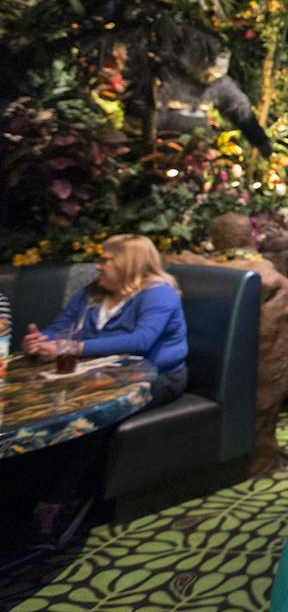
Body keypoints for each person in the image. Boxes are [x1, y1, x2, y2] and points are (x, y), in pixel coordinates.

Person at [20, 234, 190, 547]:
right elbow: (61, 328)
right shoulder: (93, 293)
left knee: (92, 418)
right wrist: (39, 340)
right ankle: (24, 495)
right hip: (96, 377)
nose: (98, 267)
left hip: (157, 378)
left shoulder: (158, 294)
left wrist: (72, 347)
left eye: (106, 260)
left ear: (129, 264)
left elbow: (141, 342)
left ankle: (56, 505)